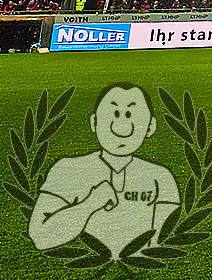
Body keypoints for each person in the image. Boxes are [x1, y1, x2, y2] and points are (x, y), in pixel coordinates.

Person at [29, 84, 179, 256]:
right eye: (114, 113)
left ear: (150, 126)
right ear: (94, 122)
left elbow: (165, 244)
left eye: (131, 114)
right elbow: (40, 237)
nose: (122, 125)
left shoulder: (160, 178)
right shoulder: (67, 169)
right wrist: (89, 204)